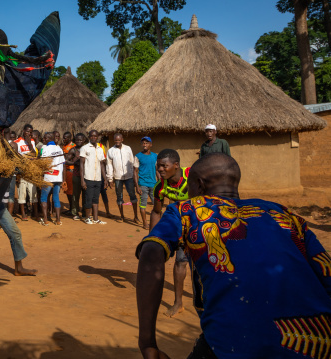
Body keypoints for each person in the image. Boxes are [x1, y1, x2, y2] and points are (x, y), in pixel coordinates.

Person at [136, 153, 331, 359]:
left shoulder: (187, 209)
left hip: (236, 341)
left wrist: (147, 342)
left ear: (199, 186)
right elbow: (325, 269)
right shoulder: (283, 214)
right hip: (316, 340)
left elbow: (152, 251)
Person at [151, 149, 190, 318]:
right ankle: (178, 303)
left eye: (163, 166)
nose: (160, 169)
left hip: (201, 223)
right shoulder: (160, 187)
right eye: (158, 166)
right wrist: (152, 240)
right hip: (180, 225)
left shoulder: (192, 175)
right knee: (180, 262)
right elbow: (156, 212)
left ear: (176, 165)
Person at [107, 133, 139, 224]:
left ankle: (136, 217)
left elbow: (132, 161)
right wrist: (110, 179)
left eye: (119, 140)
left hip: (129, 176)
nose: (117, 142)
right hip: (117, 177)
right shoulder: (111, 151)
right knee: (119, 196)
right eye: (115, 140)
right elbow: (109, 165)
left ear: (122, 140)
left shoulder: (128, 148)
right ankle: (121, 216)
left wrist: (134, 175)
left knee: (132, 195)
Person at [80, 130, 107, 224]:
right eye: (92, 136)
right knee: (88, 199)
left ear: (98, 137)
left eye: (95, 136)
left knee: (96, 199)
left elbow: (102, 165)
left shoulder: (100, 149)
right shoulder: (85, 148)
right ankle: (87, 218)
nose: (93, 137)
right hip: (88, 177)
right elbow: (81, 164)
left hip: (98, 178)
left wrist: (105, 179)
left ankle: (95, 219)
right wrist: (82, 180)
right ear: (89, 136)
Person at [39, 132, 66, 226]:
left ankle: (45, 220)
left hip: (48, 177)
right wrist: (63, 179)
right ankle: (58, 220)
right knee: (56, 198)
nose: (43, 139)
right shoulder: (59, 149)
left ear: (48, 138)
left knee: (43, 198)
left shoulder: (44, 148)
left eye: (44, 138)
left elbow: (42, 163)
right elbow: (63, 165)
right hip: (58, 177)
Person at [14, 124, 39, 221]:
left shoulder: (32, 142)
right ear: (23, 131)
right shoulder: (17, 142)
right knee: (22, 193)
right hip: (22, 172)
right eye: (27, 131)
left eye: (31, 132)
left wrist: (29, 143)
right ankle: (23, 214)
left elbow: (34, 154)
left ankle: (35, 213)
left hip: (31, 171)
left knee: (33, 193)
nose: (29, 133)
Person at [133, 137, 158, 230]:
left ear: (150, 144)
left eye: (147, 143)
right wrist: (137, 186)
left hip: (153, 184)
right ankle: (145, 223)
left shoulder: (155, 156)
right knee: (143, 204)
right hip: (143, 184)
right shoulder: (138, 156)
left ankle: (157, 222)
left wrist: (159, 182)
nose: (144, 145)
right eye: (143, 143)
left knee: (156, 204)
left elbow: (157, 170)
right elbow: (135, 172)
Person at [67, 133, 86, 220]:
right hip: (76, 175)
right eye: (77, 140)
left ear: (84, 140)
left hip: (87, 176)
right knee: (76, 195)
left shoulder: (87, 149)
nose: (79, 141)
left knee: (86, 195)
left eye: (81, 140)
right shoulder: (73, 150)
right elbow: (66, 161)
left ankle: (85, 212)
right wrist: (74, 163)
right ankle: (75, 212)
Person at [61, 132, 76, 214]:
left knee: (71, 191)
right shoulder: (64, 146)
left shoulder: (73, 146)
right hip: (65, 170)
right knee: (67, 191)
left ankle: (73, 209)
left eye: (66, 138)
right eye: (63, 138)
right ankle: (71, 208)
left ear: (70, 138)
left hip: (71, 170)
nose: (64, 139)